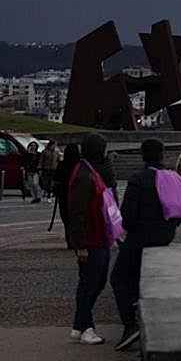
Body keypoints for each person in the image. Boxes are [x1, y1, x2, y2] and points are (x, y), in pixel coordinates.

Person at [110, 139, 181, 351]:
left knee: (118, 278)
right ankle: (138, 310)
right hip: (165, 236)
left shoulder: (138, 180)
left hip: (141, 237)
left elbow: (128, 217)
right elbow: (179, 211)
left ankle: (130, 325)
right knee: (136, 276)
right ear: (161, 155)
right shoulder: (172, 178)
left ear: (143, 155)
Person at [66, 134, 113, 345]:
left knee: (94, 281)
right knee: (90, 283)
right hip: (92, 239)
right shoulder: (84, 176)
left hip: (98, 236)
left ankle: (79, 324)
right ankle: (86, 326)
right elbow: (77, 213)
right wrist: (81, 245)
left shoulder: (87, 171)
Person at [53, 143, 81, 245]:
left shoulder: (62, 164)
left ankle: (69, 238)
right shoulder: (80, 165)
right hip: (77, 195)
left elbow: (56, 177)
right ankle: (76, 239)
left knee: (66, 218)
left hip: (64, 195)